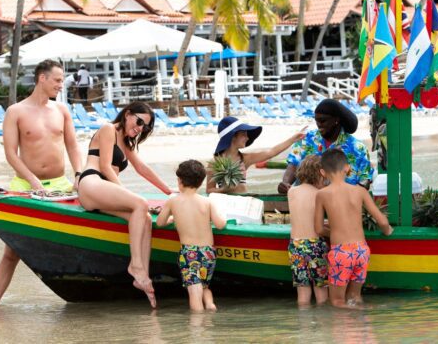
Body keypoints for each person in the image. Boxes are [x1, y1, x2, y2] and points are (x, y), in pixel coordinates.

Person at [0, 59, 83, 307]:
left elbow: (72, 146)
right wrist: (33, 180)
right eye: (57, 80)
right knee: (12, 252)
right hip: (25, 186)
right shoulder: (15, 111)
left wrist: (79, 174)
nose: (61, 85)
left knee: (72, 237)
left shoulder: (61, 110)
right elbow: (10, 153)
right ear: (42, 78)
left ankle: (82, 294)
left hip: (60, 185)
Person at [76, 101, 172, 308]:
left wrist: (169, 191)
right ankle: (135, 265)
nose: (140, 128)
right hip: (92, 182)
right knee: (140, 203)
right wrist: (129, 195)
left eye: (145, 127)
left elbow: (142, 168)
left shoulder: (126, 143)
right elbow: (105, 167)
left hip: (104, 192)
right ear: (127, 114)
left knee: (145, 217)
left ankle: (143, 276)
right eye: (139, 122)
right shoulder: (108, 129)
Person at [314, 148, 392, 308]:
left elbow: (319, 229)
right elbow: (383, 222)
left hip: (341, 253)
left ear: (322, 172)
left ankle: (364, 311)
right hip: (362, 251)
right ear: (347, 168)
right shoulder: (360, 191)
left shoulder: (322, 194)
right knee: (355, 297)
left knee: (337, 302)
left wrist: (335, 231)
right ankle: (362, 319)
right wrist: (388, 231)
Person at [156, 160, 227, 312]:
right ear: (200, 183)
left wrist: (172, 219)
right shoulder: (207, 202)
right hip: (208, 252)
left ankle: (197, 324)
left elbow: (160, 222)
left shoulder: (173, 201)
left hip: (189, 253)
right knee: (204, 286)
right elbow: (220, 224)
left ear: (180, 181)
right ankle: (210, 305)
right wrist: (224, 215)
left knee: (194, 292)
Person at [278, 99, 373, 194]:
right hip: (308, 198)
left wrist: (353, 195)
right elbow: (293, 164)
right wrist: (285, 183)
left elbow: (365, 180)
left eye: (323, 121)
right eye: (316, 121)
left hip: (343, 200)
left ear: (336, 120)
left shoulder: (358, 148)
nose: (319, 125)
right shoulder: (306, 139)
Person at [206, 116, 305, 194]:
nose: (247, 138)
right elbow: (209, 190)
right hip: (225, 204)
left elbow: (271, 152)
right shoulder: (214, 163)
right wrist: (224, 189)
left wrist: (293, 139)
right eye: (244, 134)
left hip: (244, 203)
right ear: (233, 136)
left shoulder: (245, 159)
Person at [287, 155, 329, 306]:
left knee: (303, 292)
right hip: (315, 244)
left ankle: (303, 319)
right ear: (320, 173)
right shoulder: (320, 194)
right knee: (321, 290)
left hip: (296, 246)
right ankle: (323, 316)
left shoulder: (292, 191)